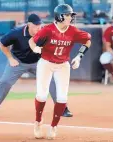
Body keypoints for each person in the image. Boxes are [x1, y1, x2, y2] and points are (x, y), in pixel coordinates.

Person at [0, 14, 73, 118]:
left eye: (39, 25)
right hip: (18, 61)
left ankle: (63, 109)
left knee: (52, 80)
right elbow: (1, 43)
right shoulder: (16, 33)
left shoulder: (45, 32)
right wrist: (10, 58)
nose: (38, 28)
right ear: (29, 25)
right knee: (4, 82)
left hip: (38, 62)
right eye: (35, 25)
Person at [29, 4, 91, 139]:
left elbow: (87, 40)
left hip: (63, 65)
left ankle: (53, 127)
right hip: (46, 63)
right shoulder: (48, 30)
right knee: (42, 95)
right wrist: (35, 49)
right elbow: (31, 41)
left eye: (71, 15)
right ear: (60, 16)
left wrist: (79, 56)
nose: (71, 17)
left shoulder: (73, 31)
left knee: (62, 98)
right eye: (68, 15)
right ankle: (38, 121)